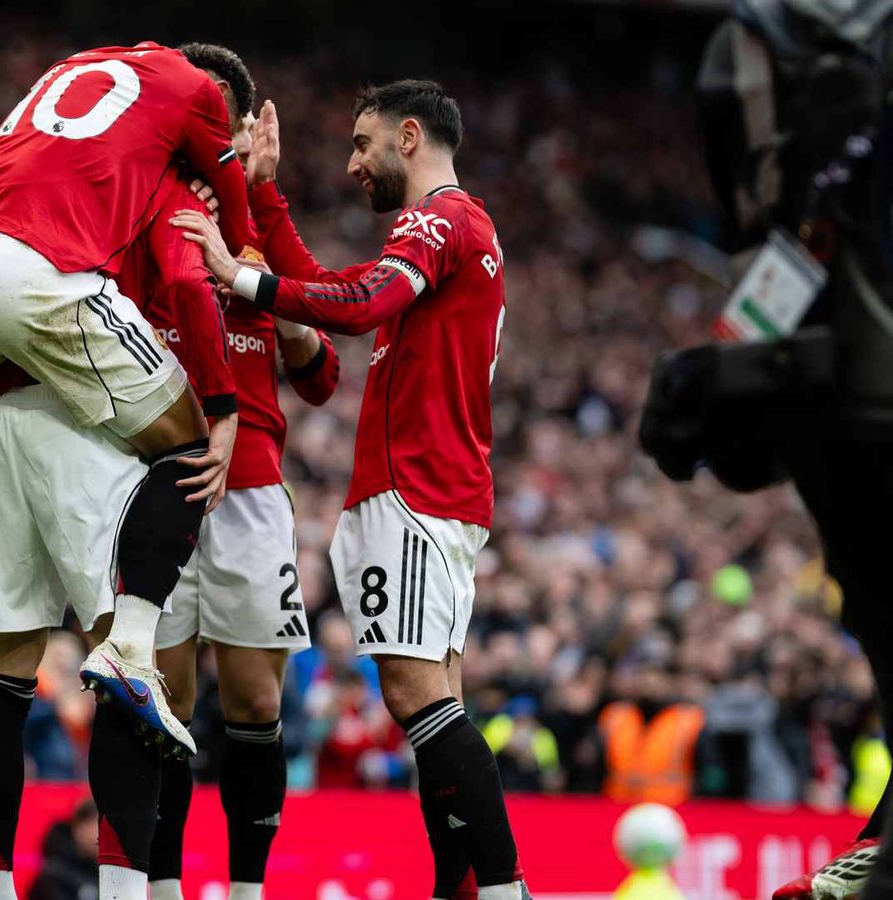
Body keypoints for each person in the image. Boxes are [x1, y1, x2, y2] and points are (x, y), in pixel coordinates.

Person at [173, 80, 528, 898]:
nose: (352, 163)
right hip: (447, 486)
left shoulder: (439, 217)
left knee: (412, 694)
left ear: (409, 137)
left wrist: (241, 276)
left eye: (363, 144)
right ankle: (462, 890)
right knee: (437, 702)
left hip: (415, 483)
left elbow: (362, 303)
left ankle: (505, 890)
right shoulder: (461, 231)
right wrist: (263, 200)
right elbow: (332, 283)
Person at [0, 40, 257, 771]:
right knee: (188, 446)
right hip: (43, 283)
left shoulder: (73, 67)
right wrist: (224, 399)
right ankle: (129, 642)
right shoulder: (191, 114)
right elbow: (197, 274)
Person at [147, 66, 341, 900]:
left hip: (255, 481)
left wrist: (257, 219)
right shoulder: (140, 201)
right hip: (153, 473)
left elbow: (324, 368)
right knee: (161, 699)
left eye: (219, 119)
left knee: (255, 703)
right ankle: (157, 886)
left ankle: (246, 891)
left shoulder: (260, 218)